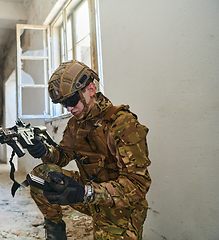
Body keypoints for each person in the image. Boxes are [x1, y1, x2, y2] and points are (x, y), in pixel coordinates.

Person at [26, 60, 151, 240]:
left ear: (91, 89)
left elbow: (138, 184)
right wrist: (43, 151)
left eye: (72, 100)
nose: (69, 108)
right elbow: (62, 156)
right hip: (88, 194)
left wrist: (86, 192)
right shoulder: (75, 124)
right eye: (63, 104)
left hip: (119, 207)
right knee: (41, 176)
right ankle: (56, 234)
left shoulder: (122, 123)